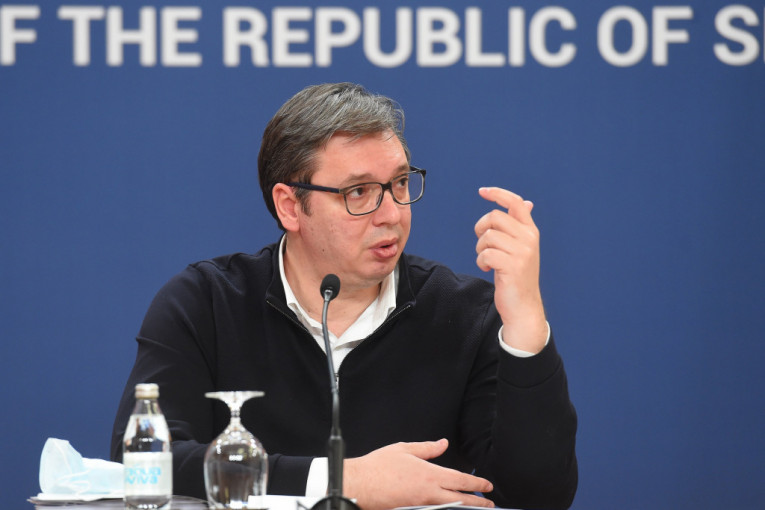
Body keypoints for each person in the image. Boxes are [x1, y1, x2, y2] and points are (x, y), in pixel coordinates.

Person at [111, 82, 578, 509]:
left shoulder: (465, 313)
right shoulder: (205, 304)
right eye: (359, 192)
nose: (392, 214)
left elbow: (539, 497)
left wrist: (525, 327)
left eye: (400, 183)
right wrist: (339, 481)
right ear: (290, 206)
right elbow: (142, 465)